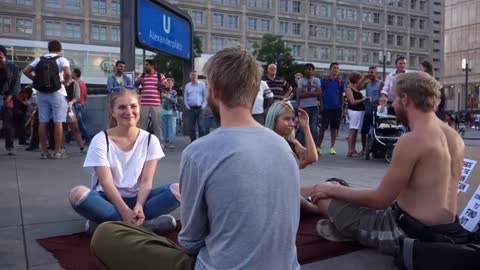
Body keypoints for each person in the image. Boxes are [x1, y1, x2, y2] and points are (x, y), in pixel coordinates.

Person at [91, 46, 301, 270]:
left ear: (214, 91)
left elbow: (190, 241)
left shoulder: (200, 151)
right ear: (252, 93)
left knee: (106, 234)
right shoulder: (283, 147)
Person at [308, 72, 465, 257]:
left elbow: (380, 200)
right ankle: (335, 215)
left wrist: (331, 190)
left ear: (405, 99)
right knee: (336, 186)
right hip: (449, 229)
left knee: (325, 196)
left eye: (394, 98)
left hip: (408, 233)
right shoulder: (455, 137)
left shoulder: (412, 140)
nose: (392, 104)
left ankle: (343, 226)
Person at [68, 88, 181, 234]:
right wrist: (125, 211)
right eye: (122, 107)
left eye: (133, 106)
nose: (129, 112)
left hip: (139, 198)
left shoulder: (150, 140)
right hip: (107, 199)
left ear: (139, 108)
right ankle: (146, 225)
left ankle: (108, 226)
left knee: (180, 190)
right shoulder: (101, 140)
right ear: (113, 112)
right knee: (77, 194)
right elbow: (106, 183)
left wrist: (139, 205)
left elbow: (146, 182)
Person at [23, 40, 71, 159]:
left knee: (42, 122)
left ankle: (44, 152)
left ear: (49, 49)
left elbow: (25, 71)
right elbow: (68, 74)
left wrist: (35, 80)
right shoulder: (61, 59)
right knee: (58, 122)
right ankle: (58, 151)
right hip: (57, 92)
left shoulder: (39, 59)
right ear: (60, 49)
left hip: (42, 93)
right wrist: (65, 82)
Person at [135, 59, 168, 141]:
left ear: (152, 66)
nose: (145, 66)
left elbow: (167, 88)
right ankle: (141, 143)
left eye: (146, 65)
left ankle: (159, 143)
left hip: (156, 104)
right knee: (142, 125)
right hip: (143, 104)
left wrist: (162, 85)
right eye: (145, 65)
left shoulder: (160, 76)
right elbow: (135, 87)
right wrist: (138, 82)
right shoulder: (142, 76)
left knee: (157, 125)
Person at [319, 62, 345, 155]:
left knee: (334, 129)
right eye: (334, 67)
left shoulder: (340, 81)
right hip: (326, 108)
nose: (336, 69)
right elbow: (320, 94)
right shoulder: (324, 80)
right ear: (330, 69)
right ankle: (318, 147)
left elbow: (341, 95)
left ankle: (332, 147)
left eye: (337, 68)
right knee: (322, 128)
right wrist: (321, 105)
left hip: (336, 108)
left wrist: (342, 107)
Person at [0, 45, 21, 156]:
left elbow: (16, 84)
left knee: (8, 124)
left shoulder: (13, 67)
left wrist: (10, 96)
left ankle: (10, 146)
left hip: (6, 97)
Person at [297, 63, 321, 153]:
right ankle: (303, 146)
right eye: (306, 69)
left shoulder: (317, 80)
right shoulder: (301, 81)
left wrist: (306, 93)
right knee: (303, 127)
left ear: (313, 71)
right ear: (304, 71)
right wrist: (312, 93)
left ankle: (315, 146)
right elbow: (300, 95)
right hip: (303, 106)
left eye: (310, 69)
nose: (308, 71)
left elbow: (319, 93)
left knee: (314, 127)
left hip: (314, 106)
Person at [360, 66, 384, 155]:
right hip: (368, 109)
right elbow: (358, 88)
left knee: (377, 129)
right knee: (364, 131)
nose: (370, 74)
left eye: (372, 72)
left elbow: (383, 95)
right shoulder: (367, 83)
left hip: (376, 109)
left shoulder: (381, 83)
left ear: (376, 73)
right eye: (369, 72)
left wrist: (381, 104)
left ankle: (377, 148)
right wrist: (363, 78)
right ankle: (363, 149)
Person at [345, 72, 369, 157]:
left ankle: (353, 149)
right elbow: (352, 101)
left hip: (359, 111)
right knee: (352, 130)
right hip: (354, 111)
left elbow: (359, 85)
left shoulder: (355, 88)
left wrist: (364, 78)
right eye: (358, 79)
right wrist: (363, 99)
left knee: (355, 131)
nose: (359, 80)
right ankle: (350, 150)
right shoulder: (349, 88)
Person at [183, 71, 207, 142]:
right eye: (192, 75)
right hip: (191, 109)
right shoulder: (187, 86)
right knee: (191, 127)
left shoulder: (202, 85)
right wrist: (187, 106)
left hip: (200, 108)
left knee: (201, 126)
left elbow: (205, 96)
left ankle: (201, 142)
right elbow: (185, 97)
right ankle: (193, 143)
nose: (194, 77)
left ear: (197, 76)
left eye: (195, 75)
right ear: (190, 76)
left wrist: (203, 106)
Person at [72, 68, 91, 144]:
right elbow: (85, 94)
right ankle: (68, 138)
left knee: (78, 123)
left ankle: (88, 139)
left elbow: (75, 95)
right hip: (82, 104)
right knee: (77, 123)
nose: (71, 74)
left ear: (75, 74)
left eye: (72, 72)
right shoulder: (82, 83)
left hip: (77, 104)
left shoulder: (75, 83)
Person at [161, 78, 178, 148]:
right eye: (167, 82)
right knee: (164, 127)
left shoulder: (174, 92)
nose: (169, 84)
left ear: (173, 84)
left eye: (170, 83)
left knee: (172, 127)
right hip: (163, 111)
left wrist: (166, 97)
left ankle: (171, 142)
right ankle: (165, 141)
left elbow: (175, 101)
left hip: (172, 111)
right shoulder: (162, 91)